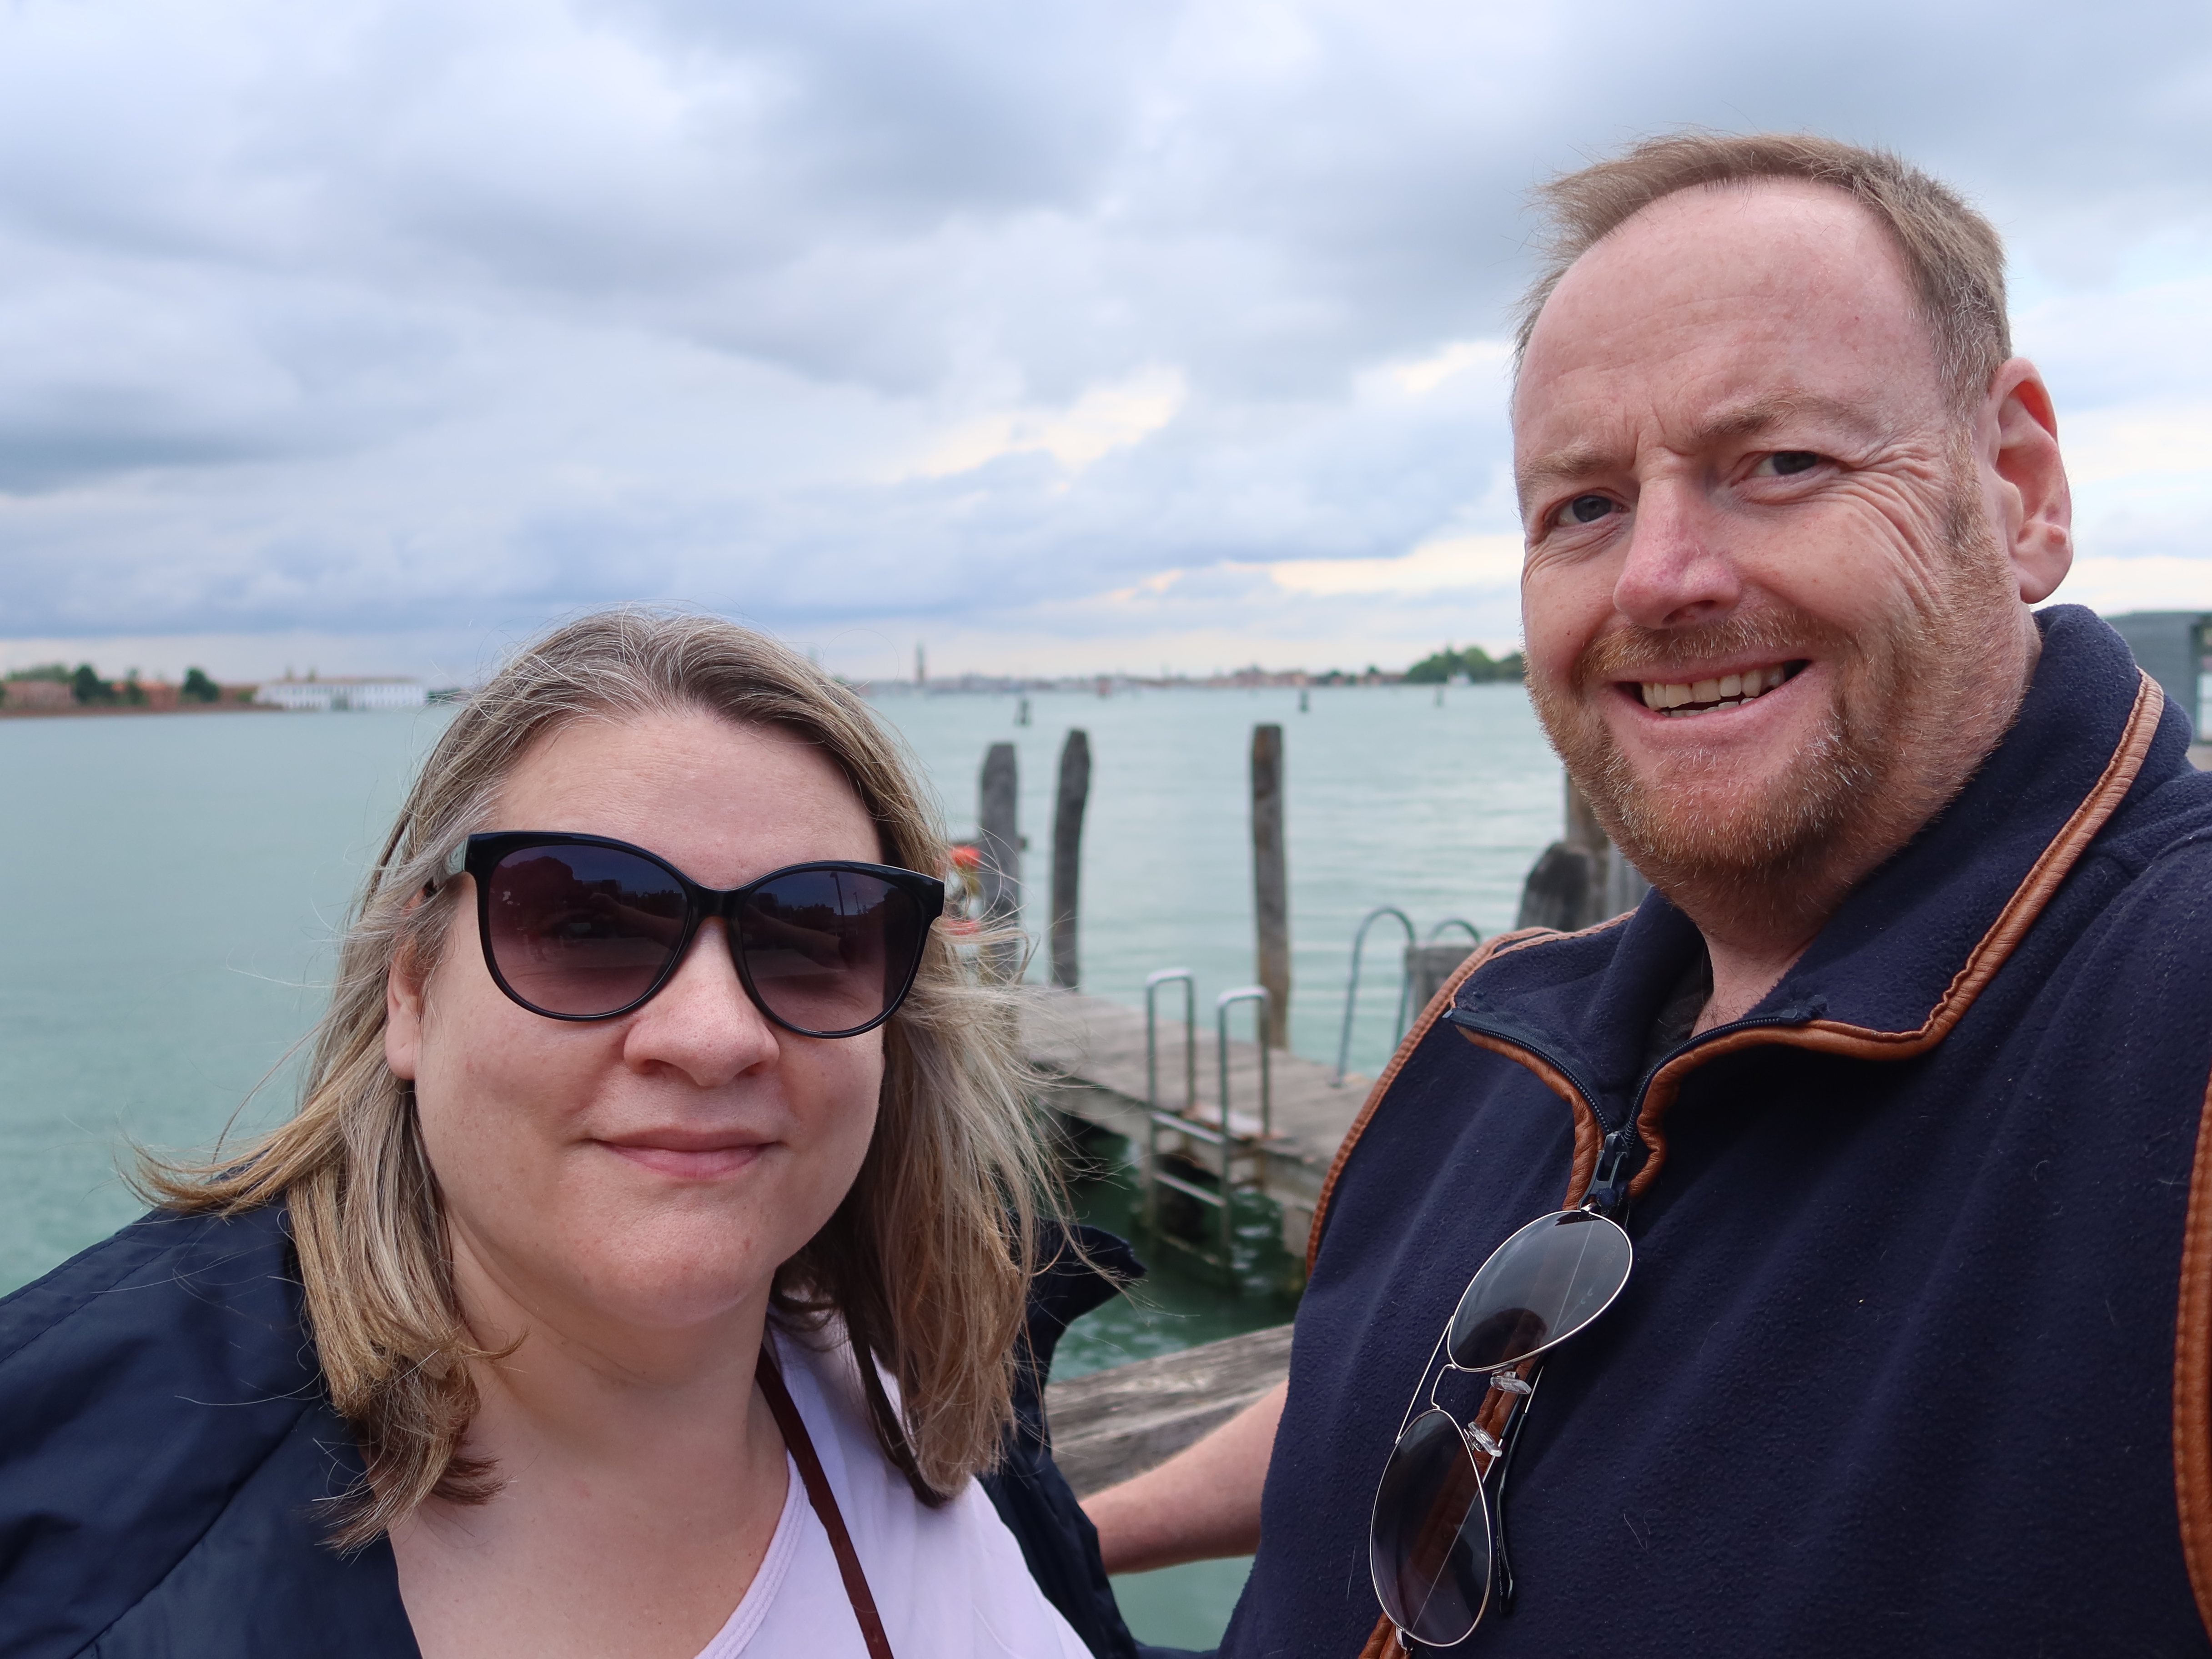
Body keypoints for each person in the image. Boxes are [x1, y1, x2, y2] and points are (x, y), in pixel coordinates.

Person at [1085, 132, 2212, 1654]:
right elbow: (1422, 1380)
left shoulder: (2166, 1024)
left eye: (1780, 464)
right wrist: (1073, 1532)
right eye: (1583, 504)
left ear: (2014, 486)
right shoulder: (1495, 1039)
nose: (1658, 580)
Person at [0, 609, 1104, 1659]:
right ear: (412, 996)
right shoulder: (71, 1550)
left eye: (814, 930)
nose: (715, 1035)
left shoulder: (922, 1360)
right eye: (583, 924)